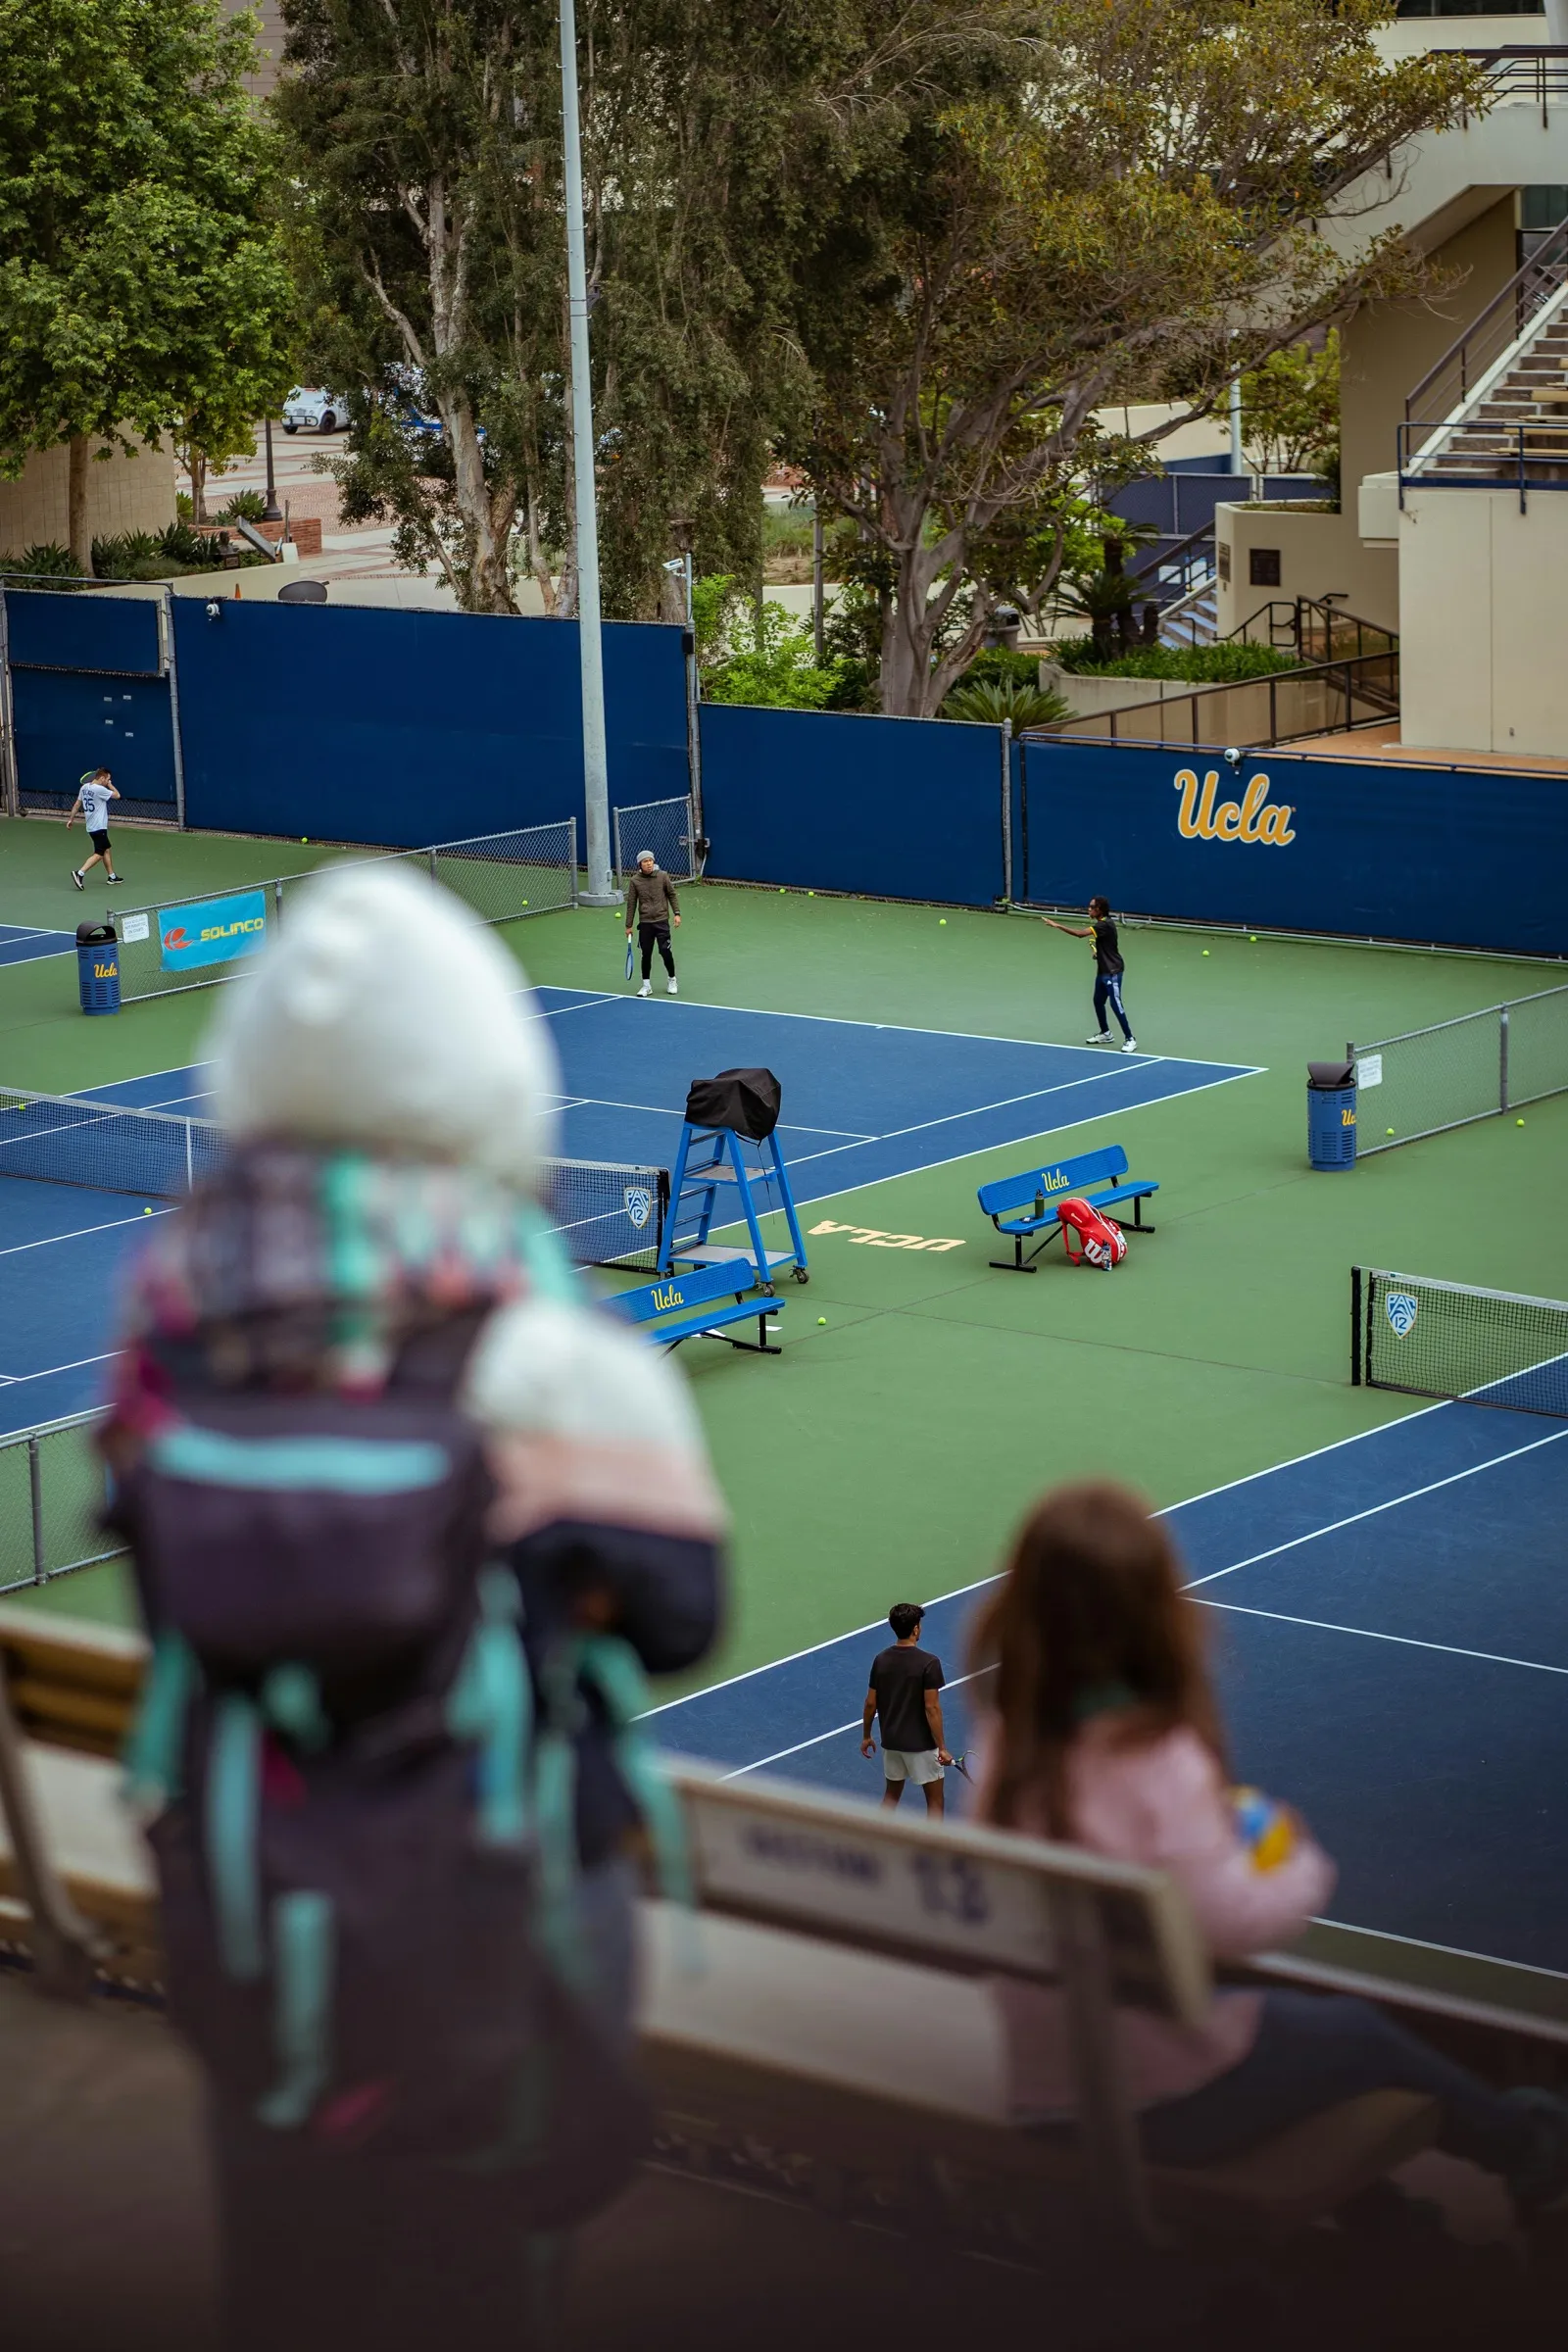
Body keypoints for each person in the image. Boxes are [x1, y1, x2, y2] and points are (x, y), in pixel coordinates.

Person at [102, 862, 727, 2350]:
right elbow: (682, 1611)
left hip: (249, 1885)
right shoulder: (538, 1342)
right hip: (502, 1897)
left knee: (288, 2265)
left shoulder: (170, 1311)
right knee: (482, 2269)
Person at [969, 1481, 1568, 2213]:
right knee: (1353, 2034)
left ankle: (1388, 2216)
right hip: (1154, 2104)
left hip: (1043, 2084)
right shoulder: (1160, 1760)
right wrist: (1291, 1860)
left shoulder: (1007, 1743)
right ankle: (1526, 2144)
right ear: (1154, 1606)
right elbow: (1235, 1929)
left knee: (1291, 2036)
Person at [861, 1601, 953, 1815]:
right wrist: (942, 1748)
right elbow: (932, 1708)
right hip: (921, 1746)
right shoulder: (929, 1663)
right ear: (916, 1629)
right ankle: (933, 1848)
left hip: (892, 1743)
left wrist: (866, 1736)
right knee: (935, 1802)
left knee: (891, 1796)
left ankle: (875, 1842)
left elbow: (870, 1703)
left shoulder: (881, 1660)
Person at [1042, 895, 1134, 1052]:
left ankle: (1130, 1039)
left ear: (1099, 910)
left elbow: (1079, 934)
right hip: (1103, 970)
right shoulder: (1103, 925)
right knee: (1098, 1001)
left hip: (1113, 971)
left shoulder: (1104, 925)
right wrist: (1098, 953)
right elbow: (1109, 947)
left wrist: (1056, 925)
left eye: (1091, 907)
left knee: (1115, 1004)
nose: (1089, 909)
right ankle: (1106, 1033)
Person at [624, 849, 680, 997]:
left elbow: (672, 894)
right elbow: (631, 904)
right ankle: (646, 986)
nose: (648, 864)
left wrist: (677, 913)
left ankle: (672, 980)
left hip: (662, 922)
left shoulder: (663, 876)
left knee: (665, 952)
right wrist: (628, 925)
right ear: (640, 864)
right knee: (646, 955)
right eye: (645, 862)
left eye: (650, 861)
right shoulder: (635, 881)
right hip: (645, 924)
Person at [67, 765, 122, 889]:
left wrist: (71, 819)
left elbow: (77, 804)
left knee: (106, 848)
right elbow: (118, 795)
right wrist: (110, 785)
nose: (108, 782)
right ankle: (79, 873)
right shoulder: (100, 790)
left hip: (91, 827)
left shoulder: (84, 788)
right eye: (107, 779)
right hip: (99, 827)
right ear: (102, 778)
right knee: (99, 853)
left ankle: (111, 876)